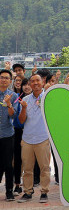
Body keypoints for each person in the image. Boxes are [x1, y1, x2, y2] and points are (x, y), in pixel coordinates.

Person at [17, 74, 51, 203]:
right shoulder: (25, 99)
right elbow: (21, 121)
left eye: (38, 80)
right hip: (27, 138)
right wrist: (24, 108)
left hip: (43, 137)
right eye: (32, 81)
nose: (35, 83)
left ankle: (44, 192)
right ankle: (27, 192)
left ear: (42, 82)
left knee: (44, 168)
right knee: (27, 168)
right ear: (29, 84)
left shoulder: (49, 97)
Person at [0, 69, 19, 201]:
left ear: (10, 81)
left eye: (7, 78)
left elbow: (13, 115)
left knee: (8, 164)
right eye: (2, 77)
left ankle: (9, 191)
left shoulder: (13, 95)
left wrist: (8, 104)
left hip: (7, 134)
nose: (4, 80)